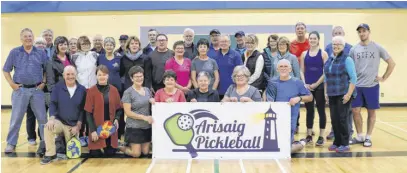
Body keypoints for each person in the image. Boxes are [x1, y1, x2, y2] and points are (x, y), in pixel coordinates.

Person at [349, 24, 396, 147]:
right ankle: (359, 136)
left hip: (372, 86)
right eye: (359, 32)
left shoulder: (377, 47)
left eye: (364, 31)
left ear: (369, 32)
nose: (362, 33)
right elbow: (349, 66)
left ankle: (368, 137)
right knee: (355, 110)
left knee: (371, 112)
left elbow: (391, 63)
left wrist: (383, 78)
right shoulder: (354, 49)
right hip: (357, 86)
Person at [3, 28, 48, 154]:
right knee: (16, 118)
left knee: (42, 119)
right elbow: (6, 70)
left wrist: (43, 82)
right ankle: (11, 143)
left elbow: (46, 69)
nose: (28, 38)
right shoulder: (14, 52)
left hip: (37, 90)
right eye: (25, 36)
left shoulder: (40, 53)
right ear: (21, 38)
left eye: (30, 36)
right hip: (20, 91)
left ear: (33, 38)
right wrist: (12, 84)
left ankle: (46, 143)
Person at [40, 66, 87, 165]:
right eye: (68, 74)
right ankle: (50, 154)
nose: (70, 76)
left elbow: (83, 110)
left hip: (73, 127)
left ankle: (63, 145)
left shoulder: (82, 90)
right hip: (60, 122)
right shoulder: (57, 88)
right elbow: (53, 104)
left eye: (72, 74)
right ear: (63, 75)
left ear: (76, 75)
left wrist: (78, 126)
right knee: (48, 127)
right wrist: (51, 118)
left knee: (72, 156)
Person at [264, 59, 313, 153]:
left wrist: (299, 98)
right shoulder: (272, 82)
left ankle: (300, 144)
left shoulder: (297, 82)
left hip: (291, 118)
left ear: (290, 69)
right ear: (277, 69)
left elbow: (310, 97)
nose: (283, 68)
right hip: (275, 118)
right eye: (281, 67)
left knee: (285, 149)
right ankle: (300, 143)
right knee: (276, 147)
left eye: (285, 66)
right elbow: (268, 100)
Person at [324, 36, 357, 152]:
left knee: (343, 119)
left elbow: (353, 78)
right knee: (334, 119)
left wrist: (348, 94)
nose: (336, 46)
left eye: (339, 44)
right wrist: (326, 94)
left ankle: (345, 143)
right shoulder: (329, 59)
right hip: (332, 94)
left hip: (343, 94)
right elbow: (326, 79)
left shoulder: (347, 59)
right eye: (334, 44)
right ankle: (337, 142)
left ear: (343, 46)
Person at [84, 65, 123, 157]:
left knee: (110, 154)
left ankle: (116, 144)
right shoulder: (91, 91)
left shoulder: (114, 90)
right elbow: (88, 113)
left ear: (108, 76)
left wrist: (117, 118)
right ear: (96, 76)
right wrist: (93, 131)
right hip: (96, 130)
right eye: (99, 75)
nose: (102, 77)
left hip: (110, 130)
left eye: (104, 75)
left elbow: (119, 109)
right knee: (95, 155)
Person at [300, 31, 328, 146]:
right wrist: (305, 83)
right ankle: (309, 135)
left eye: (314, 38)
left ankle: (321, 136)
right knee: (309, 111)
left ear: (318, 40)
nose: (312, 40)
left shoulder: (323, 54)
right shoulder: (304, 54)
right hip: (308, 87)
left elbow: (326, 72)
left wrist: (316, 84)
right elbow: (301, 70)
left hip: (319, 86)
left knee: (321, 110)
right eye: (310, 38)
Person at [119, 66, 154, 158]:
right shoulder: (128, 92)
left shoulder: (147, 90)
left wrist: (153, 100)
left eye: (141, 76)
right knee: (136, 154)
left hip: (146, 126)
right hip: (134, 127)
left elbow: (151, 102)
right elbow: (128, 112)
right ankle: (121, 147)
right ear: (131, 78)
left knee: (146, 152)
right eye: (136, 76)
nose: (139, 78)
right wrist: (144, 117)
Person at [213, 35, 242, 100]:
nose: (223, 43)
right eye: (221, 41)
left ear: (229, 43)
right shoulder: (215, 56)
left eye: (225, 41)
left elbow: (240, 72)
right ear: (219, 43)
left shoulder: (236, 55)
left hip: (233, 90)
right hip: (218, 90)